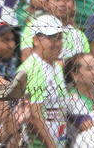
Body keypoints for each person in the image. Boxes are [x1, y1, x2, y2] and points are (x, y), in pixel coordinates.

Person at [21, 14, 68, 147]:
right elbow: (34, 114)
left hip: (60, 140)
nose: (57, 43)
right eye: (51, 38)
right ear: (36, 40)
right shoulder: (33, 68)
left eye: (59, 38)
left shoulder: (57, 67)